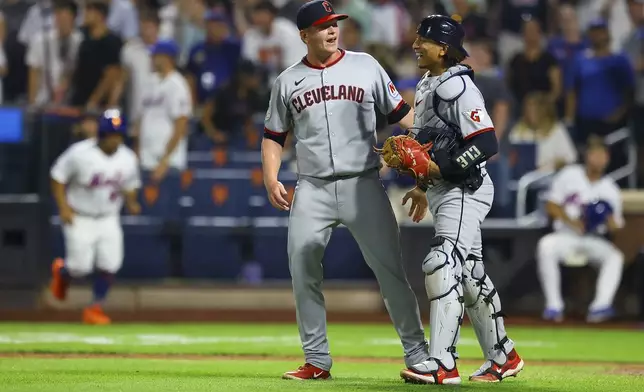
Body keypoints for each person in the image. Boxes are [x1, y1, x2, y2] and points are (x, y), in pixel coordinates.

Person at [262, 0, 430, 381]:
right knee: (302, 269)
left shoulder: (366, 66)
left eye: (334, 23)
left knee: (390, 272)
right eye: (322, 26)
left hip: (363, 184)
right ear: (304, 35)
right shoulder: (287, 81)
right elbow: (273, 136)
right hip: (313, 188)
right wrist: (271, 177)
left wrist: (427, 136)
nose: (332, 30)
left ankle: (419, 355)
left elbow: (402, 115)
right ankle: (316, 360)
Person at [392, 15, 524, 384]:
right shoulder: (429, 83)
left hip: (464, 189)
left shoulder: (458, 87)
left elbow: (486, 142)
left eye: (424, 40)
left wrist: (441, 170)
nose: (416, 45)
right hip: (444, 190)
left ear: (444, 49)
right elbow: (429, 145)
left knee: (440, 262)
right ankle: (504, 356)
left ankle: (442, 362)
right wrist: (422, 182)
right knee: (469, 275)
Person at [49, 109, 141, 325]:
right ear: (101, 134)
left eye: (118, 135)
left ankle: (94, 308)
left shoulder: (128, 158)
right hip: (80, 215)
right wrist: (63, 207)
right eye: (111, 134)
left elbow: (130, 186)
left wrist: (132, 201)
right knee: (80, 267)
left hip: (109, 216)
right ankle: (63, 272)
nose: (115, 139)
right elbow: (57, 177)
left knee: (111, 264)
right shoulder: (79, 153)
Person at [537, 136, 624, 323]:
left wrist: (608, 220)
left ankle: (600, 306)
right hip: (566, 235)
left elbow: (616, 225)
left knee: (615, 257)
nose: (598, 159)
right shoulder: (570, 175)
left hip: (593, 238)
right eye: (595, 154)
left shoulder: (610, 189)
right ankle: (554, 306)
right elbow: (551, 205)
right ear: (587, 156)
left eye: (602, 155)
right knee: (545, 246)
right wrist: (572, 221)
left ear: (607, 158)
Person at [508, 92, 577, 172]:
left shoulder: (556, 129)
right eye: (528, 108)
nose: (530, 112)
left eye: (534, 108)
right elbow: (511, 153)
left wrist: (556, 164)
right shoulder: (519, 129)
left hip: (550, 175)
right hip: (524, 175)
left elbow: (570, 158)